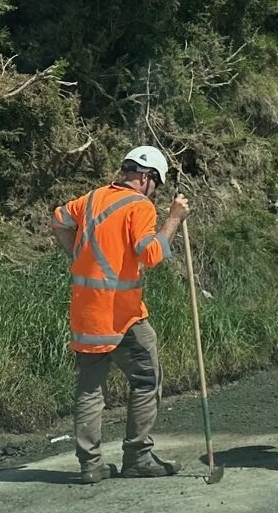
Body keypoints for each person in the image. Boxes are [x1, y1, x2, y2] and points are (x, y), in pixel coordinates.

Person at [48, 146, 191, 484]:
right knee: (146, 378)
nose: (154, 190)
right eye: (155, 183)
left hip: (85, 310)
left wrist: (77, 256)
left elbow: (58, 220)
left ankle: (90, 465)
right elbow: (152, 254)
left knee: (89, 389)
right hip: (120, 314)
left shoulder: (93, 198)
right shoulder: (139, 206)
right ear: (145, 177)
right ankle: (138, 456)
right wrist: (174, 218)